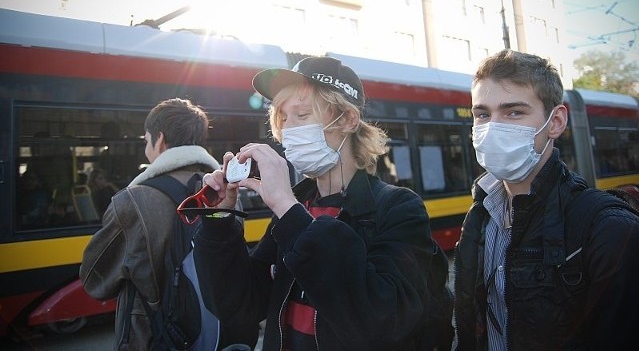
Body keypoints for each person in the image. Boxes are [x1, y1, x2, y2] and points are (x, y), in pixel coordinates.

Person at [194, 57, 450, 350]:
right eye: (283, 118)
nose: (289, 130)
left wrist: (288, 209)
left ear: (347, 120)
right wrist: (220, 221)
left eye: (302, 115)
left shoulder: (398, 208)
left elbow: (381, 321)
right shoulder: (296, 207)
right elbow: (240, 308)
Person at [453, 49, 639, 350]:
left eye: (514, 111)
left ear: (555, 122)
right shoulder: (479, 215)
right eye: (483, 114)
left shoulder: (608, 230)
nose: (493, 128)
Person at [79, 98, 222, 350]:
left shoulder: (133, 201)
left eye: (146, 140)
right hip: (215, 333)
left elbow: (95, 281)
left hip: (151, 337)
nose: (146, 147)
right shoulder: (224, 193)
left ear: (160, 139)